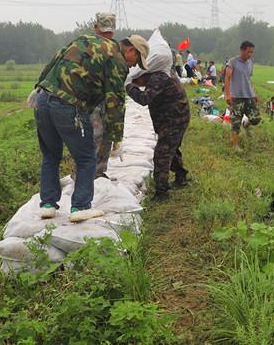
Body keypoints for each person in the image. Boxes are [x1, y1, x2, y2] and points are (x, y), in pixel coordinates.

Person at [35, 33, 148, 222]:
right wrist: (115, 137)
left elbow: (54, 60)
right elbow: (115, 101)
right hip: (68, 105)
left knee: (50, 155)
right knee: (87, 158)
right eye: (136, 61)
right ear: (130, 50)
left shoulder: (85, 39)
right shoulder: (117, 60)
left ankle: (48, 205)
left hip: (43, 99)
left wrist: (38, 87)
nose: (132, 66)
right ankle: (80, 207)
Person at [126, 66, 191, 199]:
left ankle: (162, 192)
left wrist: (129, 87)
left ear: (142, 75)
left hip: (174, 120)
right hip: (174, 118)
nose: (139, 85)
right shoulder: (161, 74)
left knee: (162, 155)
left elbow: (144, 99)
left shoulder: (158, 78)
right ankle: (181, 177)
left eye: (137, 81)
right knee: (171, 150)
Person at [89, 12, 118, 180]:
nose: (106, 36)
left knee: (106, 136)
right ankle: (84, 175)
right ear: (95, 27)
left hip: (106, 99)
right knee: (92, 137)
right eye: (103, 31)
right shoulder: (87, 45)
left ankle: (99, 172)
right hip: (89, 100)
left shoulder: (113, 49)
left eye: (109, 33)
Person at [224, 41, 261, 149]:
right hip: (236, 98)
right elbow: (227, 79)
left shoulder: (250, 63)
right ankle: (235, 145)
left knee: (256, 118)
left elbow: (248, 79)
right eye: (248, 52)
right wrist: (228, 95)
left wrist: (254, 93)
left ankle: (246, 125)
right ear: (242, 50)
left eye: (252, 52)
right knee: (235, 123)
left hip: (249, 97)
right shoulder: (233, 62)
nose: (250, 54)